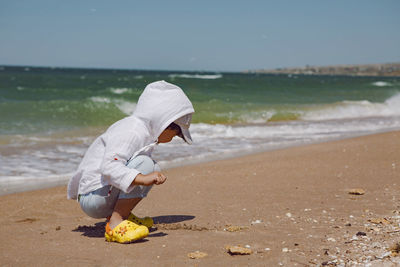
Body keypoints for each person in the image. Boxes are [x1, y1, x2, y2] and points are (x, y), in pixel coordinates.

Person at [67, 80, 194, 243]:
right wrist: (142, 178)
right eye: (176, 134)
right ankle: (115, 223)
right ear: (165, 124)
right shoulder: (132, 131)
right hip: (93, 198)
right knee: (147, 165)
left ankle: (121, 215)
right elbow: (109, 167)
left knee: (151, 165)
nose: (172, 139)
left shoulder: (145, 133)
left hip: (100, 194)